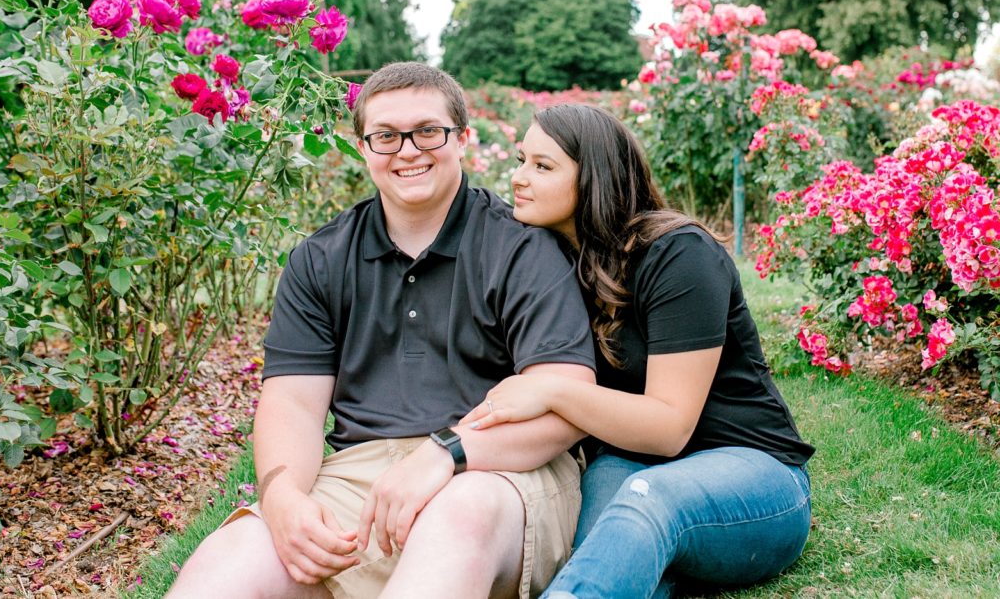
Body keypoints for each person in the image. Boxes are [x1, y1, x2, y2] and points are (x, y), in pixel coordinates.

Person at [167, 63, 596, 599]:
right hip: (359, 477)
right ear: (363, 147)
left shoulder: (523, 248)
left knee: (458, 519)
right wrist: (282, 501)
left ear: (463, 138)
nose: (408, 150)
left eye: (428, 131)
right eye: (386, 136)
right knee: (227, 561)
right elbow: (293, 406)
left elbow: (568, 406)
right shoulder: (320, 259)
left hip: (499, 473)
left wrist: (446, 453)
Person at [462, 103, 814, 599]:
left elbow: (670, 428)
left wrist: (551, 391)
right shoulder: (549, 262)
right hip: (628, 463)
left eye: (543, 166)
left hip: (752, 473)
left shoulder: (677, 255)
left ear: (595, 179)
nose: (518, 178)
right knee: (606, 545)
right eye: (521, 160)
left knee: (647, 504)